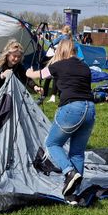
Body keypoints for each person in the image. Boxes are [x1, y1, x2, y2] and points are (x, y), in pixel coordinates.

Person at [25, 38, 94, 204]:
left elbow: (39, 74)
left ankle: (69, 172)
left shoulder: (58, 65)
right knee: (77, 152)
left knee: (52, 143)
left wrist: (28, 72)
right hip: (90, 109)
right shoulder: (85, 67)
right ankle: (72, 194)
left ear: (60, 50)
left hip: (71, 109)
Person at [0, 40, 41, 113]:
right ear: (8, 54)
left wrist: (35, 87)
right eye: (14, 56)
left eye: (19, 57)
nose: (16, 59)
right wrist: (2, 75)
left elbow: (26, 78)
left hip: (0, 93)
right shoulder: (0, 64)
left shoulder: (18, 66)